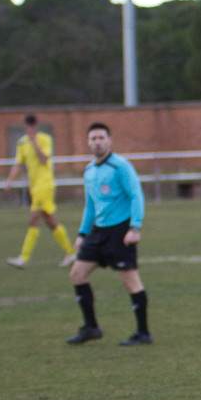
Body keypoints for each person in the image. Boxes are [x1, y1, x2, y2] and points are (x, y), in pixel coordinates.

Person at [66, 122, 152, 346]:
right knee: (77, 274)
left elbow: (136, 195)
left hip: (121, 231)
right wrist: (82, 234)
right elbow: (90, 205)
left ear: (109, 140)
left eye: (101, 138)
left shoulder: (120, 166)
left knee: (130, 281)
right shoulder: (89, 171)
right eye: (93, 138)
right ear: (88, 142)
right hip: (97, 232)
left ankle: (143, 333)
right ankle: (91, 327)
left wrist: (135, 227)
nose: (97, 142)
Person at [4, 114, 76, 269]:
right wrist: (10, 180)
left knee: (34, 219)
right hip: (34, 186)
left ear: (36, 126)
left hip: (45, 185)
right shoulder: (21, 143)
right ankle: (71, 253)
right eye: (27, 126)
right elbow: (18, 164)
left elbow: (44, 159)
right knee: (51, 221)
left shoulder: (45, 139)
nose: (29, 128)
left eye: (32, 126)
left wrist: (34, 141)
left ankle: (23, 258)